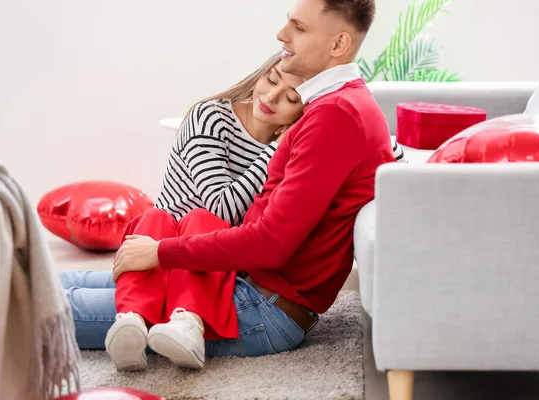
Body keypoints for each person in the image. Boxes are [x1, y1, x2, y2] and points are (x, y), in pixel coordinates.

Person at [63, 0, 399, 373]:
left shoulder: (336, 115)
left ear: (338, 45)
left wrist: (162, 252)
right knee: (79, 280)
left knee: (55, 309)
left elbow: (271, 244)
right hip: (239, 282)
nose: (281, 35)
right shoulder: (336, 106)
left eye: (299, 28)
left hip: (261, 305)